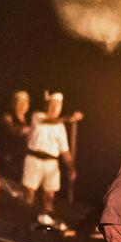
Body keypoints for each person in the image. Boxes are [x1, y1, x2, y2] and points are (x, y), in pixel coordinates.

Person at [22, 91, 82, 226]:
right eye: (52, 105)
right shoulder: (37, 116)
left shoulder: (60, 127)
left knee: (49, 197)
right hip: (34, 160)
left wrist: (71, 168)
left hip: (52, 163)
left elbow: (64, 150)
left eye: (58, 105)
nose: (55, 108)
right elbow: (49, 121)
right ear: (46, 105)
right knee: (29, 195)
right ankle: (26, 222)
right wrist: (69, 118)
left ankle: (46, 224)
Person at [0, 90, 31, 181]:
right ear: (13, 104)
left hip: (22, 160)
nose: (23, 105)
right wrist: (27, 130)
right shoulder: (8, 117)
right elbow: (11, 129)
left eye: (25, 102)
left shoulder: (27, 120)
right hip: (8, 160)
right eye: (20, 102)